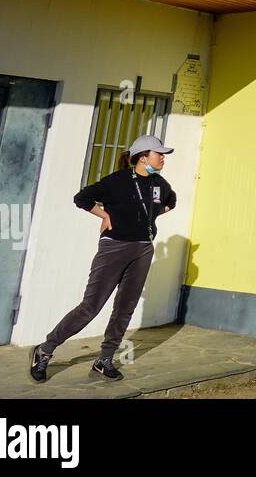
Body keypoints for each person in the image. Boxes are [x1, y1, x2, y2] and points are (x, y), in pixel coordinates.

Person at [29, 135, 176, 383]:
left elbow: (170, 201)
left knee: (124, 309)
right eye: (158, 153)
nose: (163, 158)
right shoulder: (117, 181)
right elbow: (82, 198)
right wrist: (104, 215)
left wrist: (149, 218)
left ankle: (104, 360)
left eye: (163, 154)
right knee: (91, 307)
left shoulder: (159, 184)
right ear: (143, 157)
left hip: (143, 249)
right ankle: (45, 350)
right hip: (114, 248)